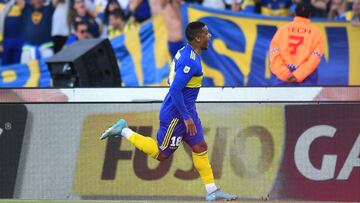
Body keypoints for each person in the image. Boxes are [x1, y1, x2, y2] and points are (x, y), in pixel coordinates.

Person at [100, 21, 238, 202]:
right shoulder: (191, 62)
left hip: (188, 112)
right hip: (176, 115)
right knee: (161, 154)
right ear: (197, 38)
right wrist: (186, 117)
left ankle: (212, 190)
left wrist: (189, 113)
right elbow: (174, 90)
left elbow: (173, 81)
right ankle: (124, 130)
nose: (209, 36)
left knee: (200, 147)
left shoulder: (185, 52)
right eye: (206, 33)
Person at [269, 2, 324, 86]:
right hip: (307, 79)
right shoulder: (317, 34)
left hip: (284, 78)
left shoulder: (282, 30)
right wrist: (298, 74)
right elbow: (314, 58)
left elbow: (274, 52)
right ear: (310, 15)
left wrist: (284, 73)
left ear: (295, 13)